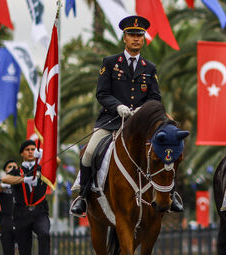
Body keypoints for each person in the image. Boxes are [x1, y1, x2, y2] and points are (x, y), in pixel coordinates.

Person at [70, 15, 182, 216]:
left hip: (141, 126)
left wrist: (143, 110)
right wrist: (118, 107)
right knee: (89, 153)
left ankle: (171, 194)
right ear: (124, 38)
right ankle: (83, 197)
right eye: (131, 35)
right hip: (111, 121)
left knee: (167, 150)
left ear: (144, 38)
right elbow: (102, 93)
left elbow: (155, 97)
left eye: (139, 35)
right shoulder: (111, 63)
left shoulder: (149, 68)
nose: (136, 39)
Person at [2, 140, 50, 255]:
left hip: (39, 211)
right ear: (22, 153)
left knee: (44, 233)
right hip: (22, 213)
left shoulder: (42, 167)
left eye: (33, 150)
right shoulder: (17, 171)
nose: (31, 152)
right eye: (28, 150)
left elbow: (56, 162)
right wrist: (24, 180)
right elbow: (5, 178)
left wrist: (43, 155)